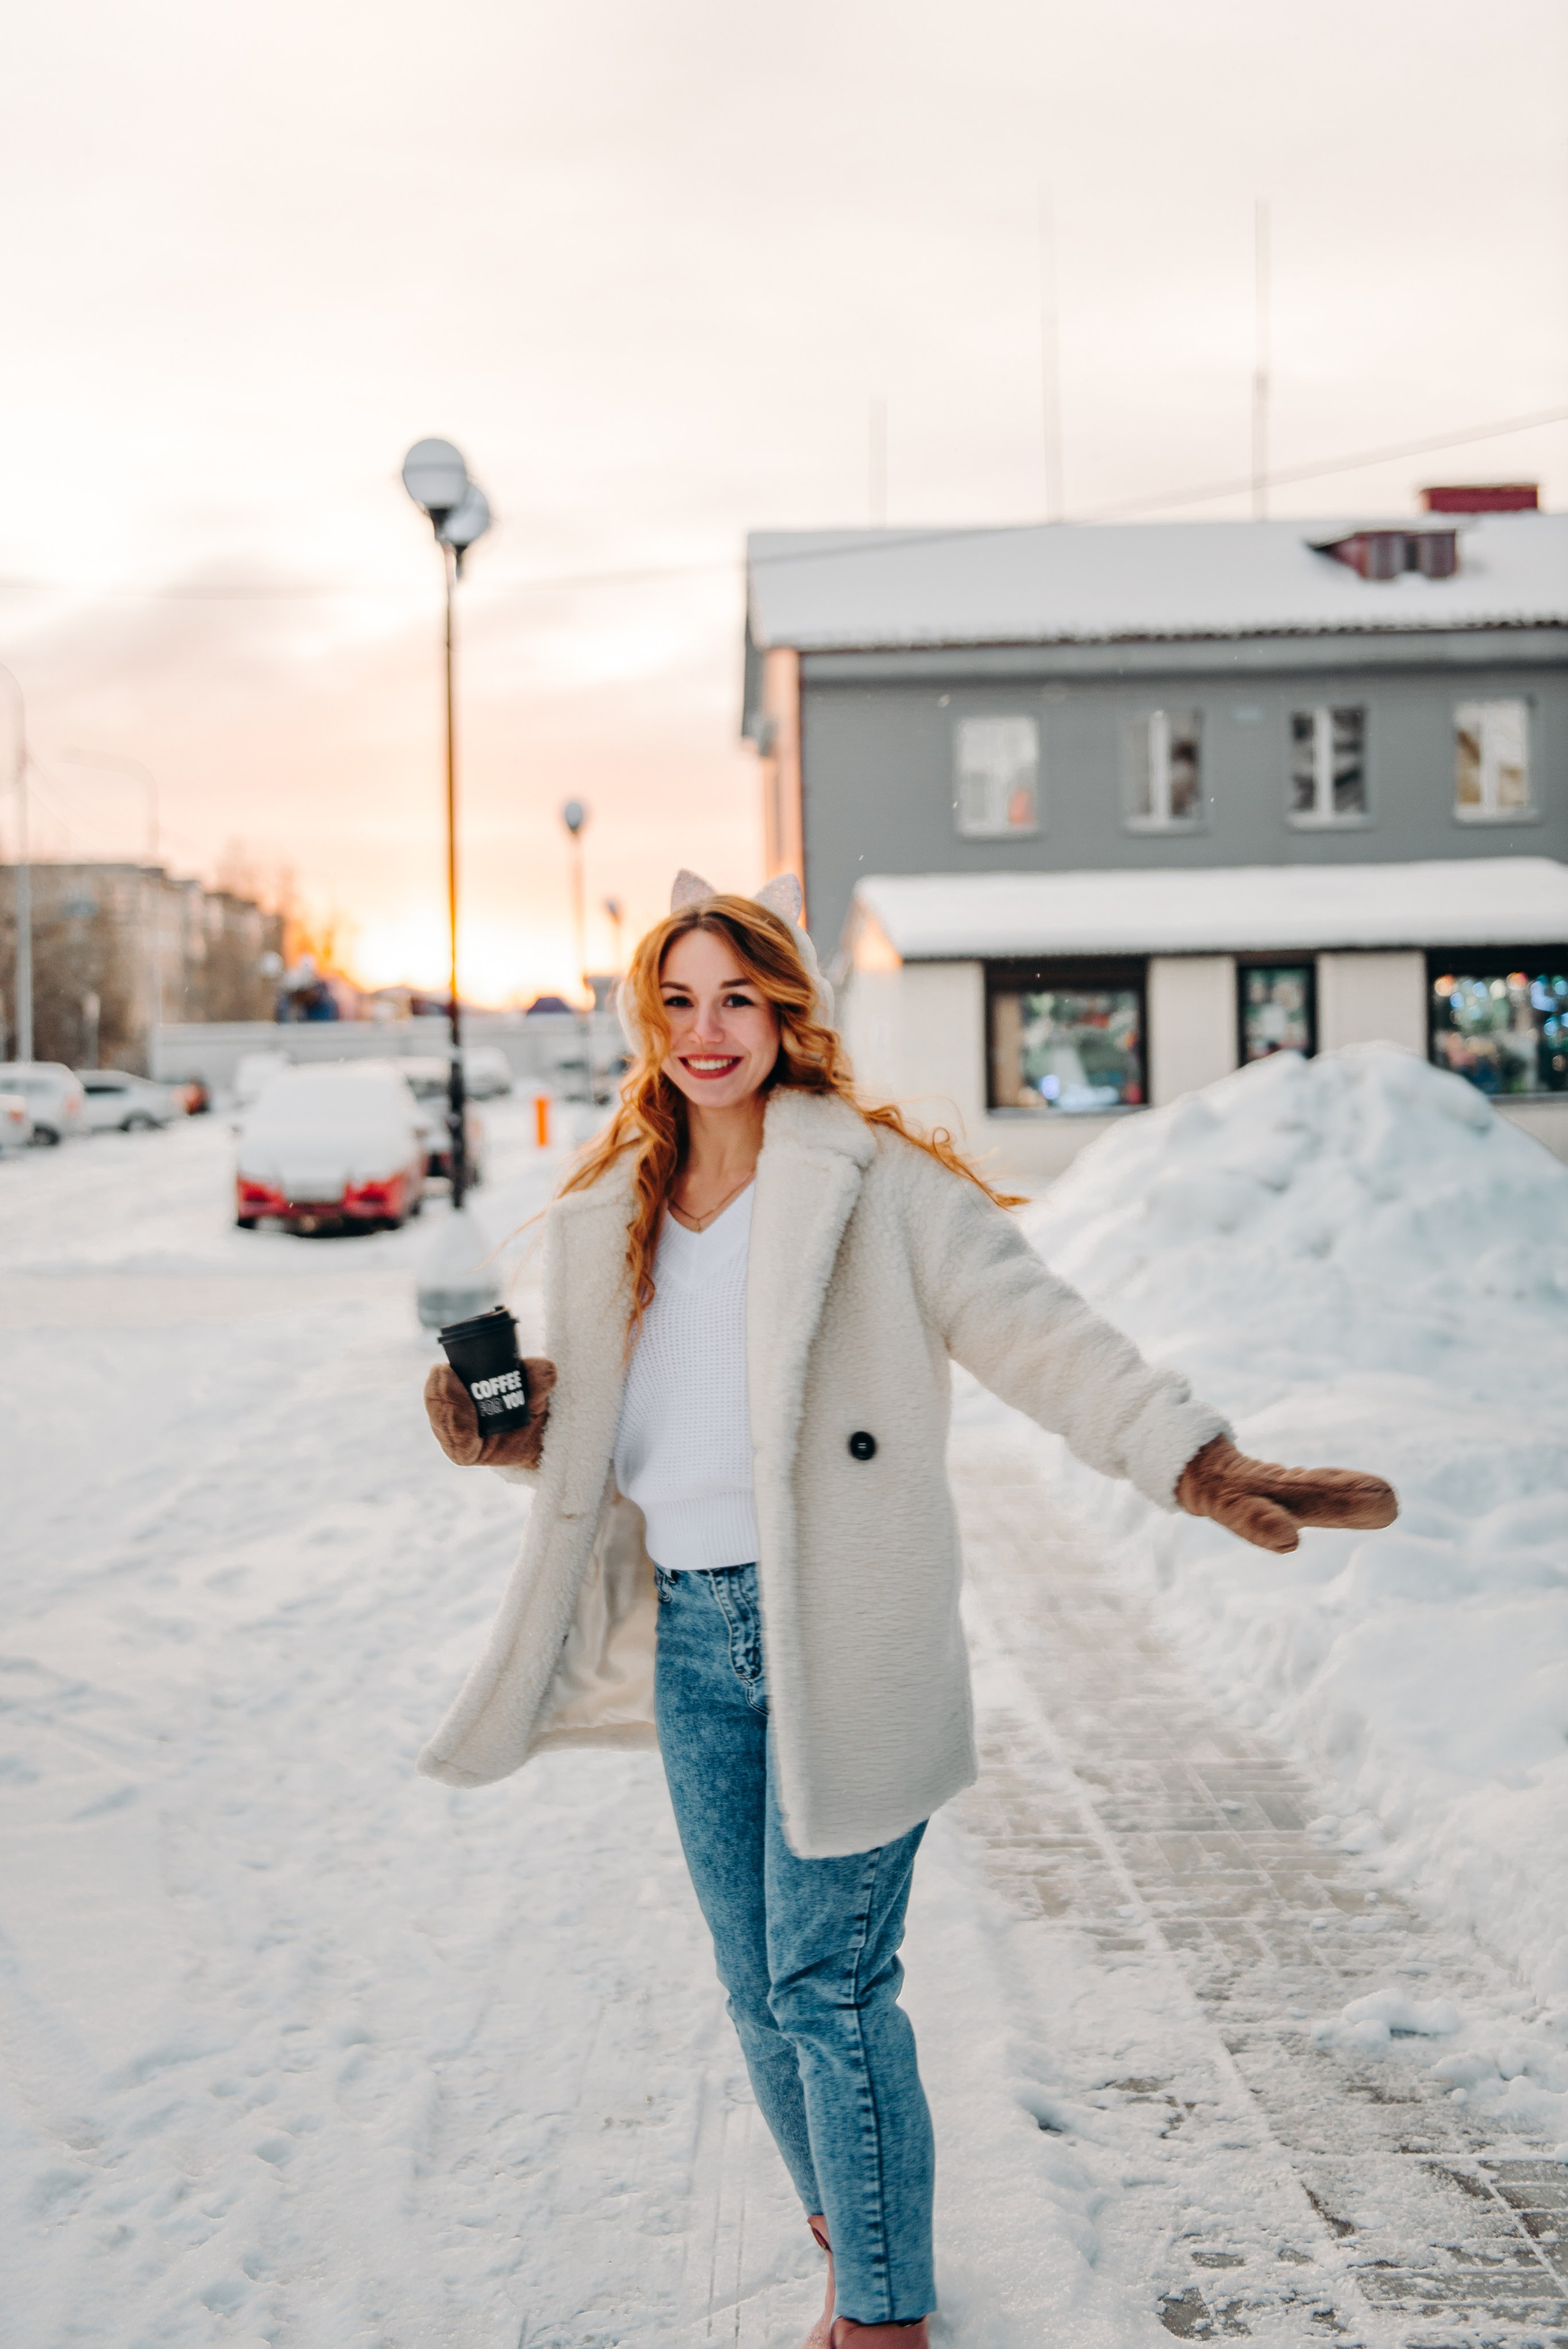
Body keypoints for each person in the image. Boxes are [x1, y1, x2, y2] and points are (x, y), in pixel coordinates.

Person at [420, 872, 1397, 2347]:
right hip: (696, 1638)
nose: (707, 1028)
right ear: (647, 1020)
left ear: (785, 1011)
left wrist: (1190, 1458)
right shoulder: (607, 1210)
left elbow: (1036, 1328)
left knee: (829, 1985)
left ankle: (882, 2312)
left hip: (843, 1630)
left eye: (736, 996)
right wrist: (506, 1424)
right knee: (760, 1992)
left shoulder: (874, 1186)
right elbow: (613, 1435)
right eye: (678, 1000)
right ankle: (852, 2228)